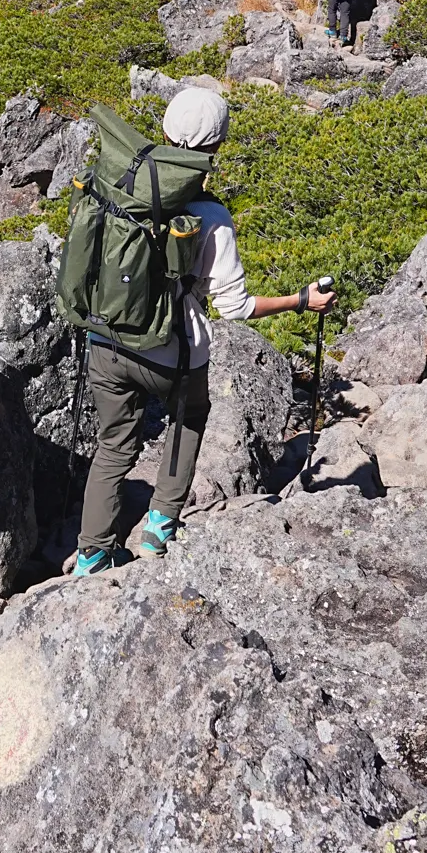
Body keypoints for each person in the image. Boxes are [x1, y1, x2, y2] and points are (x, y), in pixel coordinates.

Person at [72, 87, 336, 572]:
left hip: (103, 336)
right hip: (169, 351)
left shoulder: (117, 182)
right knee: (190, 415)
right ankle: (158, 530)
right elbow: (233, 307)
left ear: (166, 132)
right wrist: (300, 301)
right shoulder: (210, 215)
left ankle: (92, 553)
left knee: (114, 445)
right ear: (216, 147)